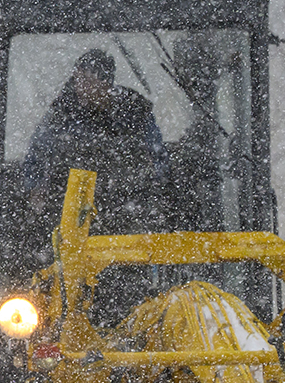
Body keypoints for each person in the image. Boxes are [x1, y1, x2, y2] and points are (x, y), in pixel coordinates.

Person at [13, 49, 170, 244]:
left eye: (87, 80)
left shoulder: (135, 111)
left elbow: (157, 156)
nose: (80, 86)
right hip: (72, 206)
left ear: (106, 83)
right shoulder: (61, 113)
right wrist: (34, 187)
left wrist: (156, 189)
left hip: (126, 203)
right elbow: (36, 153)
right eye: (77, 79)